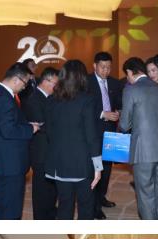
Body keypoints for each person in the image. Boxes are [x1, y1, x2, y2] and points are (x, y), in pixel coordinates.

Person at [43, 59, 101, 220]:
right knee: (86, 206)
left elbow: (49, 132)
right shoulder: (87, 100)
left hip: (58, 163)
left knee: (64, 204)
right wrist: (98, 166)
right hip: (81, 163)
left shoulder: (51, 100)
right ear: (82, 77)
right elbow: (91, 135)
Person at [0, 62, 40, 219]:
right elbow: (8, 130)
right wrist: (31, 129)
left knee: (2, 200)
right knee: (11, 206)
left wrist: (26, 125)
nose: (24, 87)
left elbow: (7, 123)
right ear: (16, 79)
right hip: (10, 161)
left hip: (4, 160)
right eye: (25, 83)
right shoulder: (4, 98)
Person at [120, 57, 158, 220]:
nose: (127, 78)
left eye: (127, 75)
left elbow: (124, 125)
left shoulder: (131, 90)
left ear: (130, 72)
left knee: (146, 195)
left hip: (143, 151)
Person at [87, 52, 122, 218]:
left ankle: (101, 197)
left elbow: (118, 103)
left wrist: (118, 112)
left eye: (108, 67)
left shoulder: (114, 82)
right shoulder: (87, 82)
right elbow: (85, 107)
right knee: (95, 168)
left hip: (110, 133)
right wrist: (103, 114)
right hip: (93, 132)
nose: (106, 70)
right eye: (102, 67)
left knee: (107, 169)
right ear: (94, 66)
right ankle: (94, 206)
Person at [21, 67, 59, 219]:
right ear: (46, 81)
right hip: (40, 151)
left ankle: (50, 212)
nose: (57, 87)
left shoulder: (51, 98)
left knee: (51, 185)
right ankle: (41, 218)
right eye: (56, 83)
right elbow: (41, 124)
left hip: (51, 149)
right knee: (41, 187)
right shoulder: (33, 99)